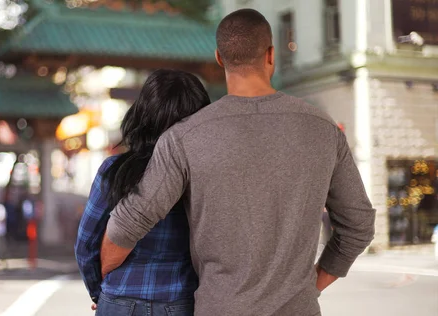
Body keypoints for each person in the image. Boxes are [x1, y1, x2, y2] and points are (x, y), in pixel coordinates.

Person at [101, 9, 376, 316]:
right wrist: (311, 285)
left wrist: (104, 284)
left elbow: (128, 224)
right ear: (271, 54)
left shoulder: (185, 137)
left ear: (220, 58)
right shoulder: (323, 129)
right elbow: (359, 226)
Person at [75, 69, 211, 316]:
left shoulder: (114, 171)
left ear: (143, 114)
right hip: (180, 301)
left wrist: (100, 291)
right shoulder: (205, 176)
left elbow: (86, 244)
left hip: (119, 299)